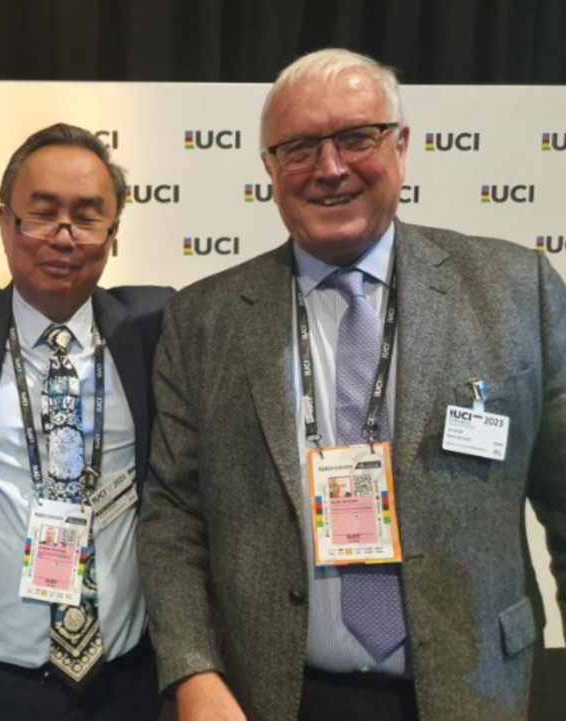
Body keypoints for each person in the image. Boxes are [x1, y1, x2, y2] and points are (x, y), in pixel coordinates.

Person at [137, 48, 566, 721]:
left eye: (356, 137)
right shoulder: (203, 319)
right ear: (269, 169)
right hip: (267, 696)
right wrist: (193, 669)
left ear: (401, 145)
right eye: (300, 146)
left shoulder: (518, 292)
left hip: (476, 690)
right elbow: (172, 515)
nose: (330, 167)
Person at [0, 123, 171, 721]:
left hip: (126, 683)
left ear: (113, 234)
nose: (64, 237)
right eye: (42, 214)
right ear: (6, 222)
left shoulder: (157, 331)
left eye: (88, 217)